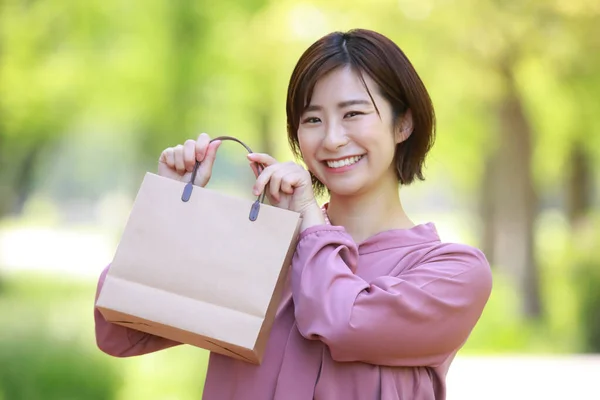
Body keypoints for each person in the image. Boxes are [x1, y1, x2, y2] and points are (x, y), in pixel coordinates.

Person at [94, 28, 493, 400]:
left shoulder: (452, 274)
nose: (333, 138)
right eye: (312, 119)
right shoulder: (267, 248)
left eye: (353, 114)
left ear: (403, 123)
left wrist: (307, 224)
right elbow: (120, 332)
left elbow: (339, 319)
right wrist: (167, 209)